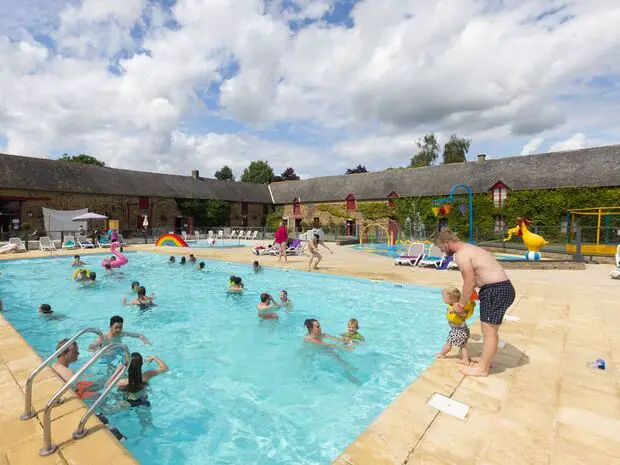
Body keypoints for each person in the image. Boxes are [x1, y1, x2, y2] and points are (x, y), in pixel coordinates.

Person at [436, 229, 516, 377]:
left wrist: (460, 305)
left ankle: (482, 369)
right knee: (490, 330)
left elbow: (469, 281)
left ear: (446, 243)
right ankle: (485, 360)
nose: (442, 251)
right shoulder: (470, 248)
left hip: (495, 290)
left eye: (441, 247)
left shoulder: (461, 255)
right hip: (500, 288)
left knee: (489, 331)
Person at [437, 287, 472, 365]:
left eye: (443, 297)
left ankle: (442, 354)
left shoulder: (457, 307)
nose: (442, 298)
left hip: (458, 331)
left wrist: (456, 311)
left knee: (449, 343)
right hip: (461, 329)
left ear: (450, 299)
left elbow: (464, 315)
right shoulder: (452, 305)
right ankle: (465, 359)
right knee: (462, 345)